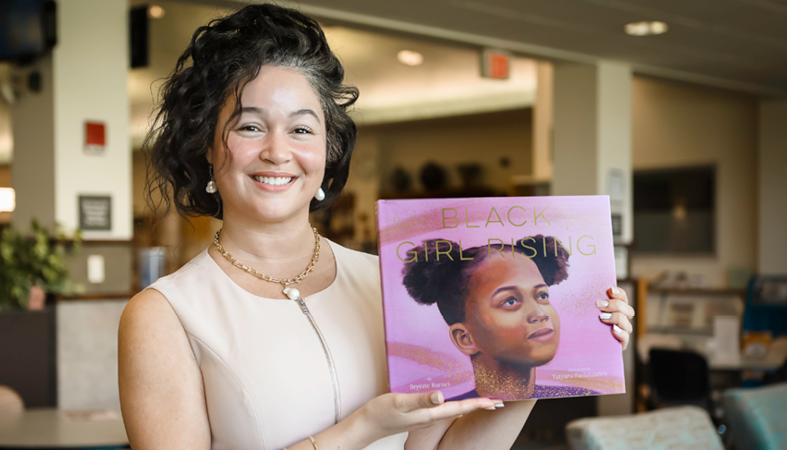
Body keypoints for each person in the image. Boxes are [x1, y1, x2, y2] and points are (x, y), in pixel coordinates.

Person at [117, 4, 634, 450]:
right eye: (250, 126)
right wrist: (362, 429)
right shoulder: (165, 315)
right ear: (208, 147)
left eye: (301, 128)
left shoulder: (385, 282)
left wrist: (553, 361)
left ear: (327, 150)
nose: (278, 151)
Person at [403, 237, 608, 401]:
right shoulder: (437, 412)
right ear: (465, 338)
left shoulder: (580, 396)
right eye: (510, 301)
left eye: (542, 296)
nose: (539, 313)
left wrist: (612, 336)